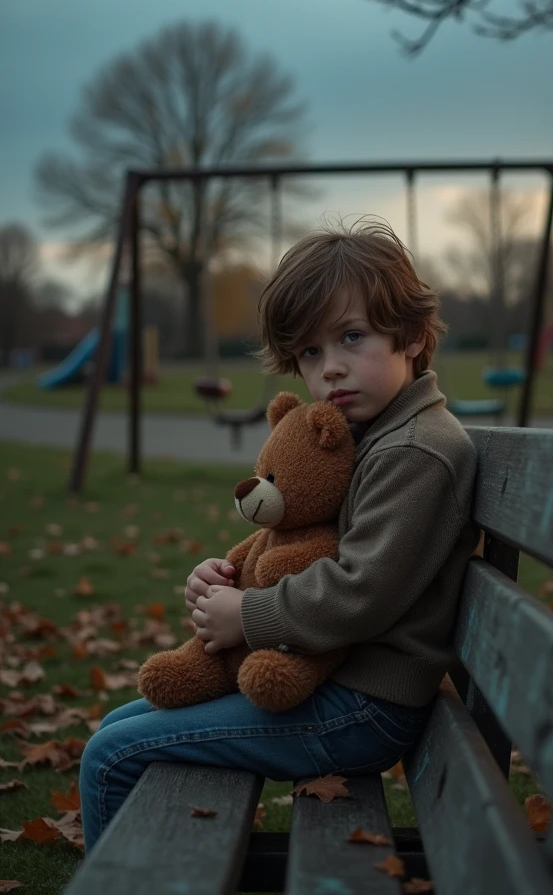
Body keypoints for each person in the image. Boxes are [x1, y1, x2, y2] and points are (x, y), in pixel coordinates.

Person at [79, 221, 479, 852]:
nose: (331, 370)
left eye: (352, 337)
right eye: (312, 354)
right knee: (118, 725)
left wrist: (251, 615)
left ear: (413, 335)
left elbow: (361, 590)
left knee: (111, 755)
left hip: (364, 707)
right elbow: (309, 540)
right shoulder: (375, 436)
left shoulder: (417, 451)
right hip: (336, 683)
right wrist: (230, 581)